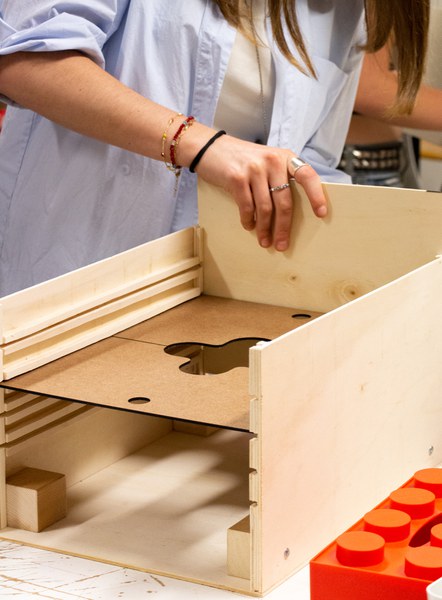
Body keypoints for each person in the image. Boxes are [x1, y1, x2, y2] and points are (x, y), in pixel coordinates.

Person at [0, 0, 429, 296]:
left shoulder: (343, 11)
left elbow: (312, 158)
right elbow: (24, 59)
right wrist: (201, 145)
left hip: (216, 285)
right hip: (74, 261)